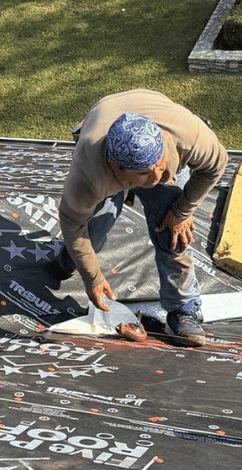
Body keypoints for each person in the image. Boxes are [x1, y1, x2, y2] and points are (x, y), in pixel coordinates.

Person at [52, 89, 229, 347]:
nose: (156, 177)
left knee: (172, 233)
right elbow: (72, 222)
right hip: (101, 126)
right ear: (115, 166)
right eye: (146, 173)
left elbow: (217, 165)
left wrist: (181, 211)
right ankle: (70, 257)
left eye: (160, 164)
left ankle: (184, 308)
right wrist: (92, 278)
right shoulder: (89, 174)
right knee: (96, 224)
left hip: (162, 122)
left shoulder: (188, 137)